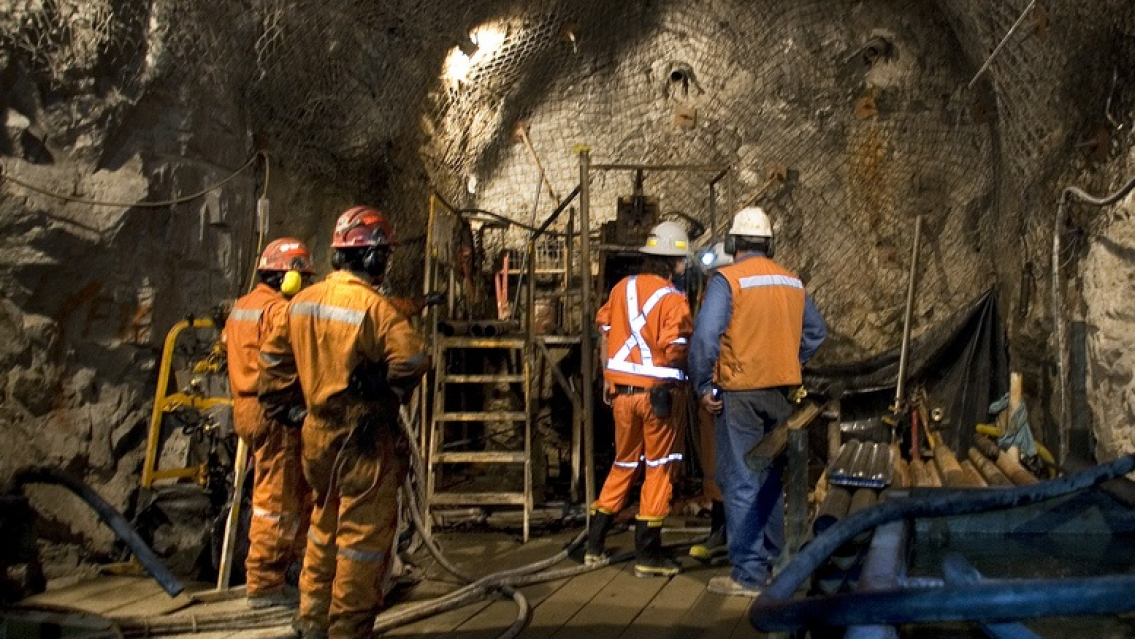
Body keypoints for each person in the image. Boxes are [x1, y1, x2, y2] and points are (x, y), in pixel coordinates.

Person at [260, 206, 430, 639]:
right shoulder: (374, 307)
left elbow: (272, 362)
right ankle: (349, 630)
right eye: (384, 255)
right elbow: (413, 360)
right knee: (362, 541)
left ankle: (312, 621)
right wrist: (379, 382)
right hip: (364, 436)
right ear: (372, 256)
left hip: (317, 433)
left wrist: (292, 408)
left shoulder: (301, 302)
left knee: (323, 526)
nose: (386, 262)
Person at [689, 206, 826, 597]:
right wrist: (789, 360)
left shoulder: (726, 281)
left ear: (733, 243)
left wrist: (703, 386)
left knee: (742, 478)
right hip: (781, 395)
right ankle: (775, 563)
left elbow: (704, 338)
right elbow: (817, 332)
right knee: (769, 479)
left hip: (740, 395)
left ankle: (749, 573)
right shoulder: (791, 282)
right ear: (769, 243)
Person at [586, 221, 694, 579]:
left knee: (624, 464)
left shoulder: (621, 289)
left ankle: (594, 545)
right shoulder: (673, 300)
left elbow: (603, 330)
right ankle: (647, 552)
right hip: (657, 398)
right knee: (659, 468)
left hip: (620, 396)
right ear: (672, 263)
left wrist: (607, 376)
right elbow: (675, 348)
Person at [224, 237, 315, 609]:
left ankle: (293, 568)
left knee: (293, 491)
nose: (304, 285)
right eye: (302, 277)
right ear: (288, 277)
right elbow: (290, 358)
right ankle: (263, 583)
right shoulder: (278, 312)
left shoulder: (241, 307)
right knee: (275, 498)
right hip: (273, 410)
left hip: (245, 407)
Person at [688, 242, 731, 563]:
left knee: (720, 462)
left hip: (722, 386)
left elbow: (705, 341)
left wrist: (703, 385)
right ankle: (728, 534)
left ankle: (725, 535)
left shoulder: (724, 293)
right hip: (744, 385)